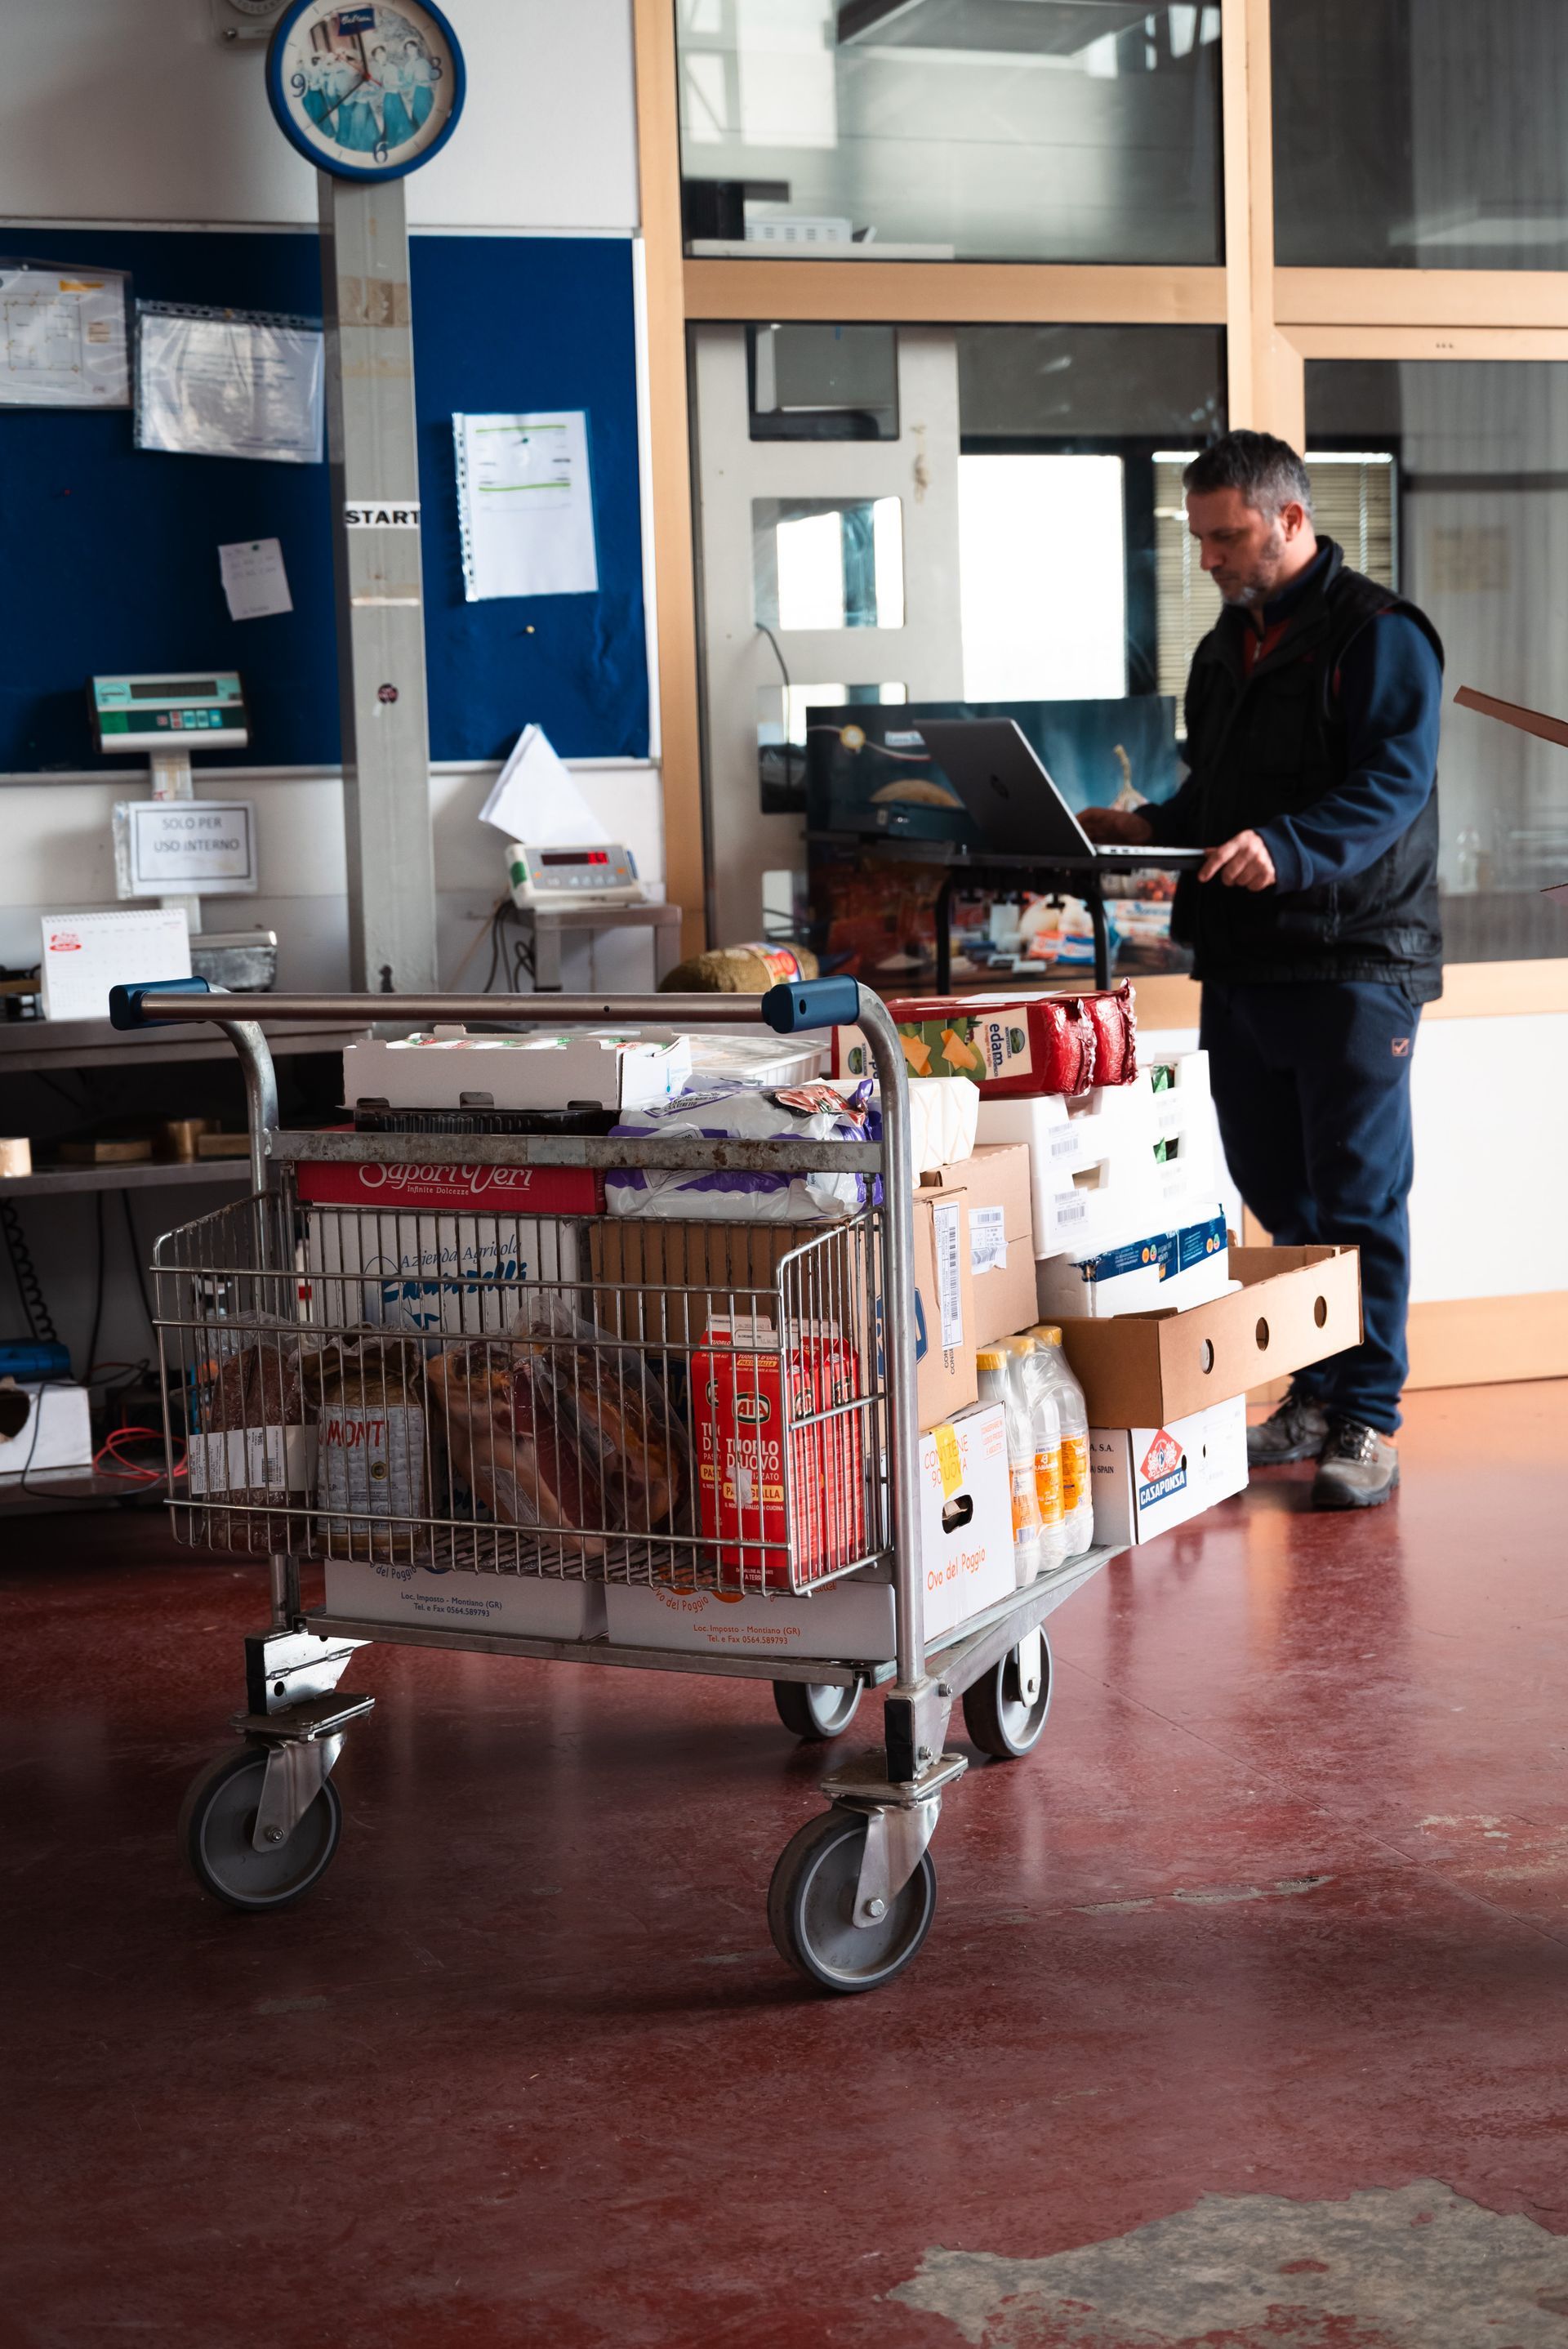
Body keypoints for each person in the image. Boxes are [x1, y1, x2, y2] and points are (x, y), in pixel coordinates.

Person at [1081, 430, 1443, 1509]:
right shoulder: (1220, 649)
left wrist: (1288, 848)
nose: (1209, 560)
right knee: (1280, 1195)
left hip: (1354, 960)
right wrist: (1148, 824)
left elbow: (1393, 788)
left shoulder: (1380, 636)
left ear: (1292, 519)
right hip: (1244, 965)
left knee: (1357, 1198)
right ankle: (1314, 1389)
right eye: (1197, 539)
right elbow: (1216, 801)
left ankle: (1367, 1420)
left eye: (1227, 536)